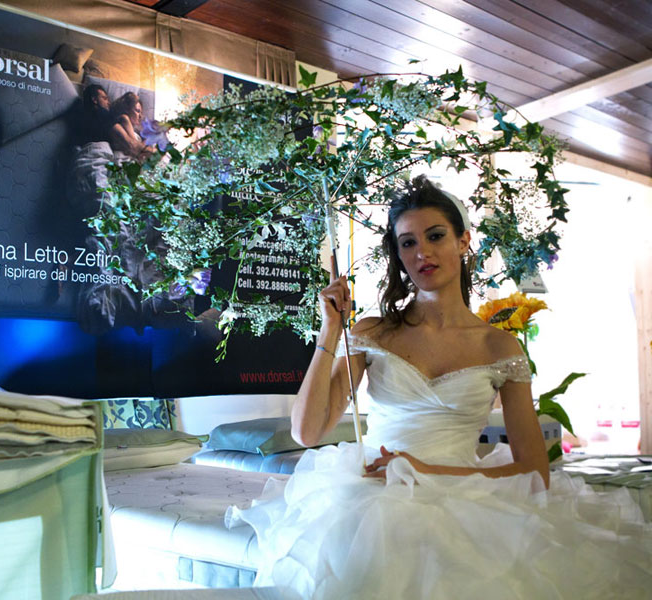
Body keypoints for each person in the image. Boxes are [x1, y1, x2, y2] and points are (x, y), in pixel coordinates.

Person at [226, 175, 651, 600]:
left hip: (468, 494)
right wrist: (330, 330)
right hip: (375, 493)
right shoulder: (372, 333)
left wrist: (424, 470)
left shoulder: (499, 347)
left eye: (435, 236)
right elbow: (307, 432)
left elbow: (535, 471)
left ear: (463, 241)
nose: (422, 253)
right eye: (407, 243)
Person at [82, 85, 152, 161]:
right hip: (96, 152)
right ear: (94, 100)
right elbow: (131, 145)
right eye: (105, 98)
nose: (109, 102)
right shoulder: (103, 114)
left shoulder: (85, 115)